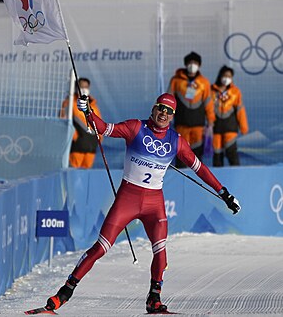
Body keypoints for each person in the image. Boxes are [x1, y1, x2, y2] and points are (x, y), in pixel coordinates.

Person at [44, 93, 241, 314]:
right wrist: (87, 110)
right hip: (128, 198)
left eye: (169, 111)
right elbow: (102, 128)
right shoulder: (135, 128)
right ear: (153, 109)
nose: (164, 114)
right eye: (161, 109)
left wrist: (224, 193)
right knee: (100, 248)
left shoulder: (176, 141)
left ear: (173, 116)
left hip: (154, 204)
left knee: (161, 250)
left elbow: (201, 169)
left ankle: (154, 298)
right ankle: (64, 293)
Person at [166, 52, 215, 167]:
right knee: (181, 153)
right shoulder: (176, 80)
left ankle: (196, 181)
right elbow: (169, 100)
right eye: (190, 63)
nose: (192, 65)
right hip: (181, 123)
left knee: (197, 156)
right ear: (186, 64)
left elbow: (209, 103)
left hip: (198, 125)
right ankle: (180, 179)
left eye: (195, 63)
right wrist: (167, 119)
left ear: (199, 65)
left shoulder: (204, 82)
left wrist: (211, 121)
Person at [59, 77, 102, 168]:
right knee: (73, 172)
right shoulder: (69, 103)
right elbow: (63, 121)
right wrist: (75, 137)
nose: (84, 89)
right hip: (77, 146)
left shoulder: (93, 105)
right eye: (81, 86)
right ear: (76, 88)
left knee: (86, 174)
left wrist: (98, 138)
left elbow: (99, 123)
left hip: (91, 145)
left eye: (86, 87)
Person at [211, 65, 248, 166]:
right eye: (225, 75)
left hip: (230, 127)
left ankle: (236, 175)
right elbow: (207, 109)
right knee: (217, 154)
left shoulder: (235, 92)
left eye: (229, 76)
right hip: (216, 128)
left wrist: (243, 127)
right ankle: (216, 179)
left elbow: (240, 110)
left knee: (231, 152)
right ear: (220, 76)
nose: (226, 78)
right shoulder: (212, 91)